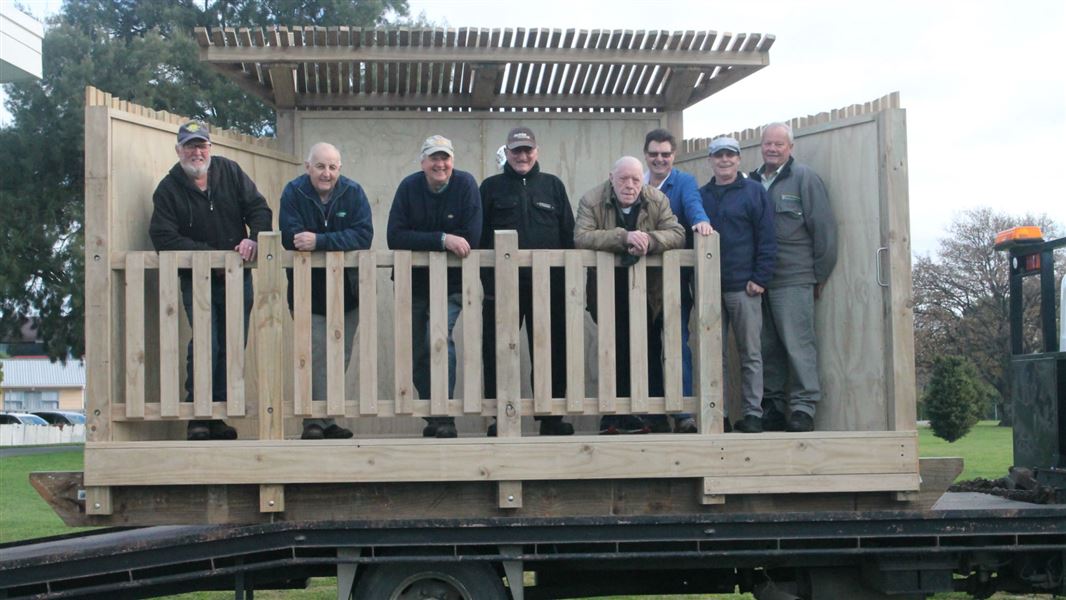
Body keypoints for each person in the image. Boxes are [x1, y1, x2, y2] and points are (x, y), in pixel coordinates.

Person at [149, 121, 273, 441]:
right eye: (190, 146)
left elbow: (259, 209)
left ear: (210, 149)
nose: (197, 152)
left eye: (202, 145)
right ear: (178, 151)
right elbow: (163, 237)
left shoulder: (230, 172)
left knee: (232, 346)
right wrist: (211, 256)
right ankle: (198, 416)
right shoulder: (168, 188)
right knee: (206, 343)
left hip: (237, 277)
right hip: (197, 280)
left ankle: (219, 415)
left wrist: (254, 240)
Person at [575, 156, 685, 434]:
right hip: (607, 290)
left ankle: (654, 416)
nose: (630, 185)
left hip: (650, 292)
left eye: (636, 179)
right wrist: (623, 237)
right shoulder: (592, 200)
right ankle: (613, 417)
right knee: (614, 350)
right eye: (624, 178)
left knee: (650, 348)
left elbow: (678, 233)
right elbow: (581, 236)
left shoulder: (656, 199)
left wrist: (651, 239)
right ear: (611, 176)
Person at [480, 127, 576, 437]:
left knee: (551, 350)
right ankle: (500, 417)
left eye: (527, 150)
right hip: (502, 287)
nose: (522, 156)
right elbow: (481, 240)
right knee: (498, 351)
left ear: (537, 151)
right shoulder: (490, 188)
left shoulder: (553, 186)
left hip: (549, 286)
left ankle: (551, 417)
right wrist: (488, 284)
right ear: (506, 152)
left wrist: (565, 283)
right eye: (516, 150)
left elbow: (568, 237)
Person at [386, 135, 482, 439]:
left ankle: (444, 415)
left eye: (445, 158)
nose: (440, 164)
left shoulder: (465, 185)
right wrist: (443, 239)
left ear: (452, 160)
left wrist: (433, 240)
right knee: (414, 352)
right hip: (412, 285)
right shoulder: (409, 187)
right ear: (423, 162)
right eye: (433, 158)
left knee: (437, 339)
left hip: (452, 285)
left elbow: (471, 237)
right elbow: (396, 236)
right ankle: (433, 415)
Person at [279, 142, 373, 440]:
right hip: (308, 293)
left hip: (348, 291)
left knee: (340, 355)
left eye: (333, 167)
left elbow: (364, 235)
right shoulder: (293, 193)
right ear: (308, 167)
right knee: (313, 353)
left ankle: (328, 418)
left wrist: (320, 241)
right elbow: (290, 236)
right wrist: (332, 240)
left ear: (340, 169)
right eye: (320, 166)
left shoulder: (353, 192)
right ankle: (312, 421)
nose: (326, 173)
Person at [750, 122, 838, 432]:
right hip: (758, 282)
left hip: (794, 278)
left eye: (779, 144)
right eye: (767, 144)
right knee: (766, 347)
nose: (772, 149)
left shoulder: (805, 179)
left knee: (798, 345)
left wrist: (819, 275)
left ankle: (803, 408)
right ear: (760, 146)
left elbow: (824, 231)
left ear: (791, 148)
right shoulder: (752, 181)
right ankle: (773, 407)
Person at [698, 136, 776, 434]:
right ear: (711, 160)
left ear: (739, 159)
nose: (725, 160)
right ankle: (720, 416)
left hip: (744, 287)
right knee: (714, 356)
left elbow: (768, 238)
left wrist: (760, 278)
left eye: (730, 155)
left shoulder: (754, 193)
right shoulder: (701, 195)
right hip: (708, 289)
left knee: (751, 353)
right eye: (719, 156)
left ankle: (753, 414)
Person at [643, 128, 714, 434]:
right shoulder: (637, 180)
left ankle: (682, 410)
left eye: (666, 154)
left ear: (674, 155)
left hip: (673, 278)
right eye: (654, 154)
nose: (660, 159)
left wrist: (701, 221)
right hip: (640, 280)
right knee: (643, 345)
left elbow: (693, 204)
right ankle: (652, 411)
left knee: (676, 344)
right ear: (646, 155)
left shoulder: (683, 182)